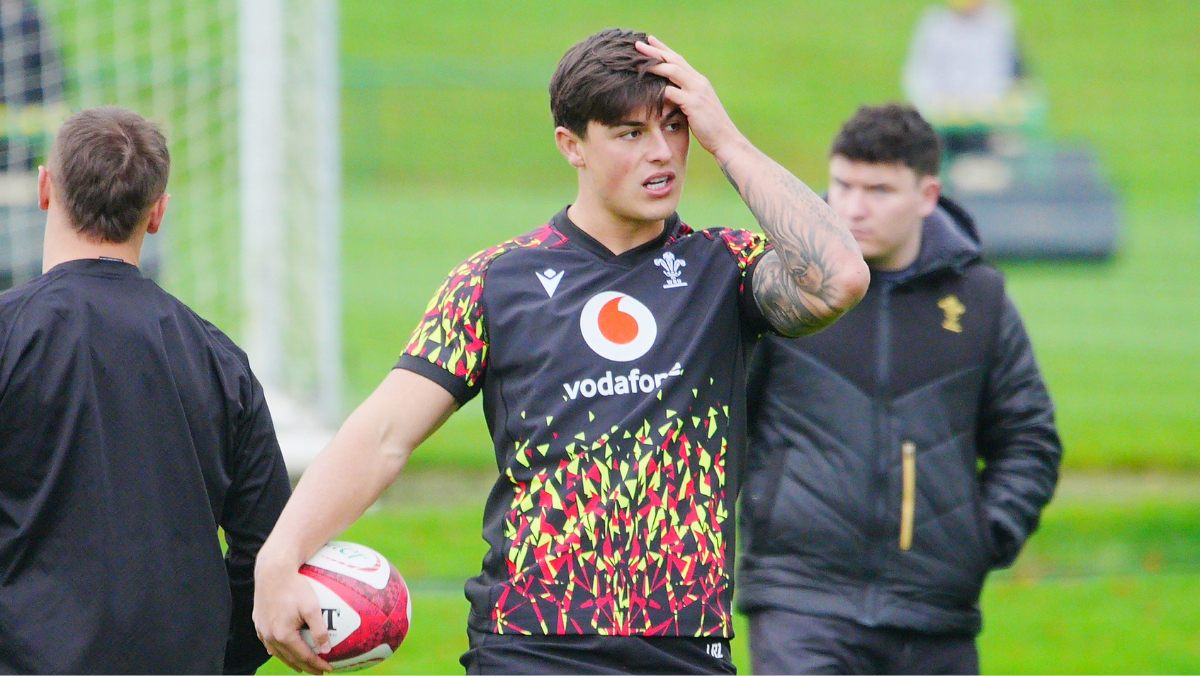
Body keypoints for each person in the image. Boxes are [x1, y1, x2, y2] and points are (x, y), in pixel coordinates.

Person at [253, 28, 869, 674]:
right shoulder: (495, 281)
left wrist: (728, 140)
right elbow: (384, 434)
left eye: (674, 127)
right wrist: (279, 556)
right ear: (571, 145)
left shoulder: (726, 269)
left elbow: (840, 278)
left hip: (683, 649)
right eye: (630, 133)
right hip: (531, 646)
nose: (661, 153)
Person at [737, 103, 1062, 674]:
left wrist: (979, 540)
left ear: (928, 194)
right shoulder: (784, 291)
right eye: (842, 184)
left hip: (934, 611)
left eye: (880, 190)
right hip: (799, 601)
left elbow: (1028, 439)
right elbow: (720, 423)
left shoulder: (981, 301)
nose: (854, 207)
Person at [0, 107, 292, 673]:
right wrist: (220, 656)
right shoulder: (220, 361)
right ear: (157, 212)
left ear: (44, 189)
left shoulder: (9, 337)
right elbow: (267, 550)